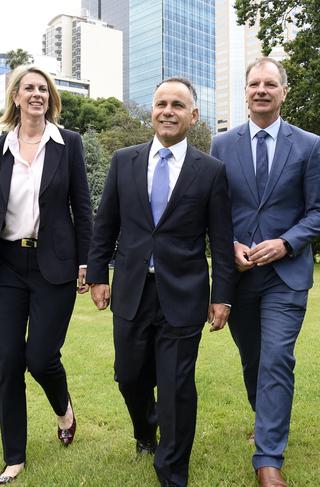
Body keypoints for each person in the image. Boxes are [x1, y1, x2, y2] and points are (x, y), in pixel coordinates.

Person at [87, 77, 236, 487]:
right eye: (160, 103)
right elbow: (106, 225)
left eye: (177, 105)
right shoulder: (124, 161)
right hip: (132, 291)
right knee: (130, 377)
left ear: (193, 115)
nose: (167, 111)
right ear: (152, 111)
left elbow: (221, 242)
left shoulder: (210, 172)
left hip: (184, 295)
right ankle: (145, 429)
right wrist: (98, 275)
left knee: (175, 385)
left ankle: (171, 471)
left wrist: (222, 295)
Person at [0, 65, 92, 485]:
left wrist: (88, 262)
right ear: (15, 97)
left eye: (43, 88)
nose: (36, 94)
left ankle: (63, 408)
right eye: (28, 88)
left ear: (49, 98)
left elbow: (82, 207)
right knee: (7, 361)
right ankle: (14, 456)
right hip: (8, 267)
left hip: (54, 265)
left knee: (40, 358)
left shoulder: (67, 144)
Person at [210, 57, 320, 487]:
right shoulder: (222, 145)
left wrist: (286, 242)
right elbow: (214, 210)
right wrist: (230, 245)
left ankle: (268, 460)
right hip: (239, 275)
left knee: (278, 358)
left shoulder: (308, 144)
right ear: (245, 92)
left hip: (287, 275)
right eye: (254, 84)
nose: (261, 90)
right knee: (254, 361)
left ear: (284, 91)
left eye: (270, 84)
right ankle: (267, 423)